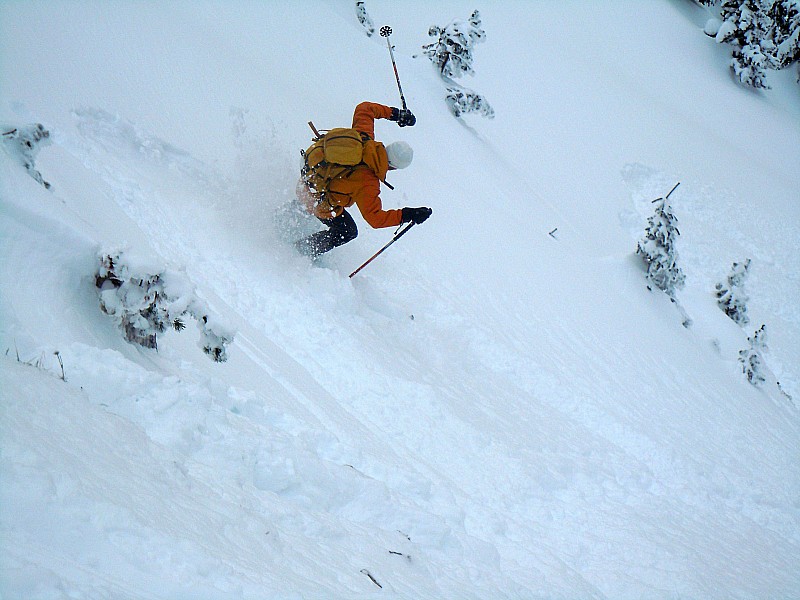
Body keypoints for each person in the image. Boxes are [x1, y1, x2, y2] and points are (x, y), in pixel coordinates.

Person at [295, 101, 432, 257]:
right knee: (348, 231)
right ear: (394, 167)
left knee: (323, 198)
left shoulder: (363, 137)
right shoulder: (368, 183)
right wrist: (408, 214)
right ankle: (301, 251)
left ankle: (284, 215)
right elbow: (376, 219)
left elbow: (365, 108)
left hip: (308, 177)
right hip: (315, 198)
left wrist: (397, 114)